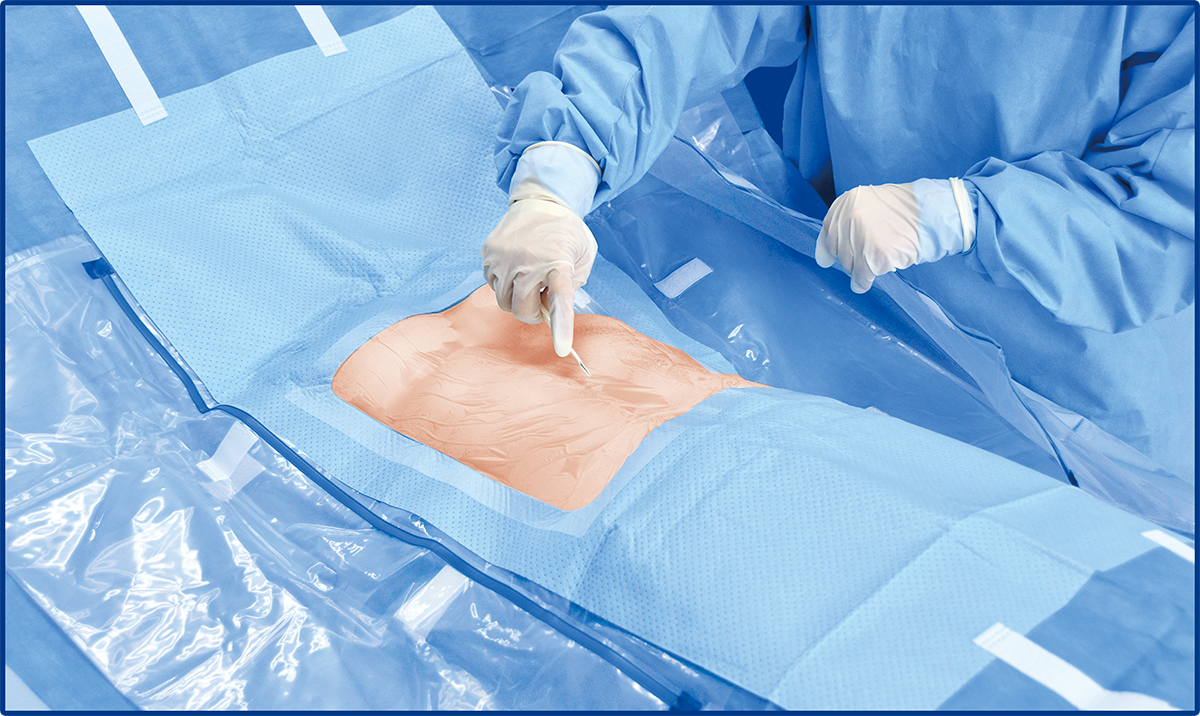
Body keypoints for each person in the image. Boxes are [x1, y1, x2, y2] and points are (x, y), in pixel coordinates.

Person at [479, 6, 1195, 480]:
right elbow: (688, 20)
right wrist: (559, 171)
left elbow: (1167, 207)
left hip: (1074, 377)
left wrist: (966, 215)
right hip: (862, 316)